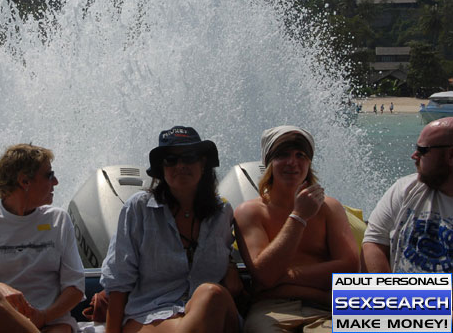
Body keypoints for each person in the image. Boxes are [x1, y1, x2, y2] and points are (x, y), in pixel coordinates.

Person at [101, 126, 240, 333]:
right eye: (171, 160)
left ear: (203, 163)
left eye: (189, 157)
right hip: (149, 315)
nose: (180, 165)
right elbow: (118, 281)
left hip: (211, 311)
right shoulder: (138, 208)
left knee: (211, 294)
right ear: (161, 169)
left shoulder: (222, 213)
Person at [0, 144, 85, 333]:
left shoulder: (59, 220)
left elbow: (75, 287)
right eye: (49, 175)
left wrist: (43, 316)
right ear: (24, 182)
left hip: (50, 323)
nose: (56, 182)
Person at [234, 126, 359, 333]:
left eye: (301, 155)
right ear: (269, 162)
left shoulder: (329, 208)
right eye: (282, 154)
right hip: (272, 308)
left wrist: (282, 278)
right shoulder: (250, 212)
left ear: (309, 163)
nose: (292, 162)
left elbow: (349, 267)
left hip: (326, 307)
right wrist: (299, 216)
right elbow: (265, 276)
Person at [362, 117, 453, 273]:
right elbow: (374, 242)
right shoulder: (405, 189)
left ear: (451, 155)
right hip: (397, 294)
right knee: (343, 290)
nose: (414, 155)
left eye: (422, 150)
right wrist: (391, 293)